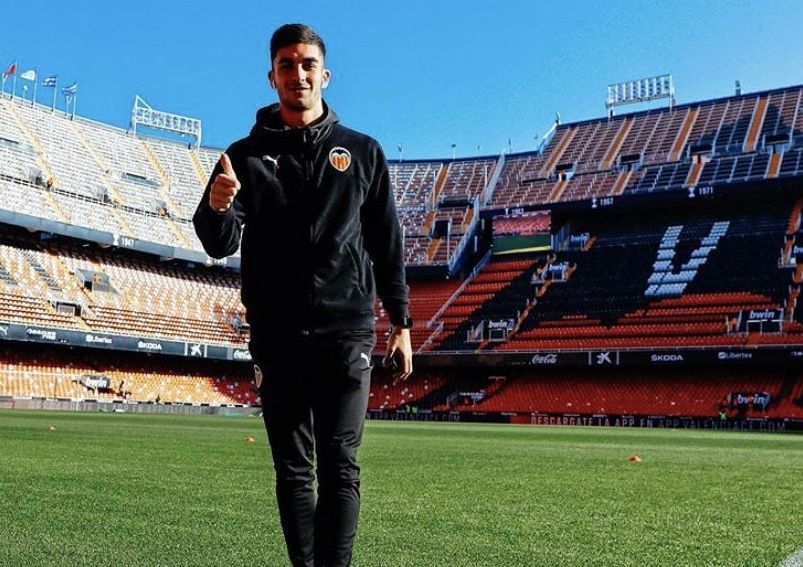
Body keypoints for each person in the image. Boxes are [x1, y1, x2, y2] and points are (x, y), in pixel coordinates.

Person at [193, 23, 413, 567]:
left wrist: (402, 322)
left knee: (341, 464)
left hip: (347, 328)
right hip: (278, 332)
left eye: (308, 64)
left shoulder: (363, 152)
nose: (298, 74)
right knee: (292, 469)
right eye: (287, 65)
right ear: (272, 77)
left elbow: (387, 243)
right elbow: (218, 243)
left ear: (325, 74)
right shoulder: (243, 156)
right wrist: (217, 206)